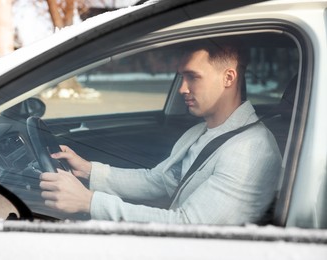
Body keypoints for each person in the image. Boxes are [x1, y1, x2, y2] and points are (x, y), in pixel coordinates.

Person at [39, 38, 282, 225]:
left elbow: (189, 226)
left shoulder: (252, 149)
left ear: (228, 77)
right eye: (181, 77)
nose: (182, 89)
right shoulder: (201, 131)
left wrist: (89, 202)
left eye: (193, 77)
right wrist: (89, 170)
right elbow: (158, 181)